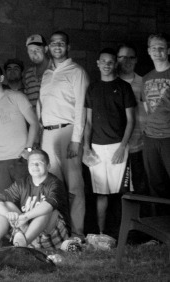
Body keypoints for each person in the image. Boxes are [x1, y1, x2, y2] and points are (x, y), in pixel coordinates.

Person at [39, 31, 89, 239]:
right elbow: (41, 105)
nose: (57, 46)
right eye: (53, 43)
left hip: (68, 131)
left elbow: (81, 107)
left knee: (74, 186)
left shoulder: (76, 71)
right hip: (48, 133)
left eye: (61, 43)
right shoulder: (47, 74)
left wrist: (76, 139)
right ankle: (60, 234)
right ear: (48, 48)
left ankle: (77, 234)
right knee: (54, 186)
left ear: (68, 47)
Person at [83, 48, 135, 234]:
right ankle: (102, 234)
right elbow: (88, 122)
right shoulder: (92, 88)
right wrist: (86, 147)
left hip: (118, 146)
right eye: (103, 61)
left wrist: (122, 147)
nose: (106, 65)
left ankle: (124, 235)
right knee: (101, 194)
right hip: (96, 148)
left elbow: (131, 120)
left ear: (115, 64)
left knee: (123, 194)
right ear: (98, 64)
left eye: (110, 62)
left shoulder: (123, 87)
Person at [0, 149, 70, 250]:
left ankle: (24, 245)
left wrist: (25, 217)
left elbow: (49, 205)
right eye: (31, 164)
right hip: (27, 229)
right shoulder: (22, 183)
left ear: (48, 166)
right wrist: (7, 214)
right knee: (7, 205)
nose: (35, 166)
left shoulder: (55, 183)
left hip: (50, 234)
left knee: (47, 211)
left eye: (39, 163)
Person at [0, 64, 39, 196]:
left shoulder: (17, 96)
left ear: (1, 78)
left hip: (21, 158)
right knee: (2, 201)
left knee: (26, 199)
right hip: (0, 161)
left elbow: (34, 123)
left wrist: (28, 150)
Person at [141, 33, 170, 213]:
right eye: (154, 48)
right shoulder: (146, 78)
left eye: (161, 48)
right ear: (149, 52)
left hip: (169, 137)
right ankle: (160, 233)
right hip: (151, 138)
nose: (157, 52)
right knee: (156, 185)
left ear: (168, 50)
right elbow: (146, 108)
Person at [117, 43, 148, 195]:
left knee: (141, 188)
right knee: (118, 190)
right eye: (122, 57)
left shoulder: (145, 83)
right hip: (115, 147)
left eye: (130, 57)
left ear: (136, 60)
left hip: (140, 145)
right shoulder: (111, 83)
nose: (126, 61)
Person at [23, 34, 51, 110]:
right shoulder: (28, 74)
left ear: (45, 49)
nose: (34, 53)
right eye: (30, 50)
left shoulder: (57, 69)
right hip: (35, 120)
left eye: (37, 49)